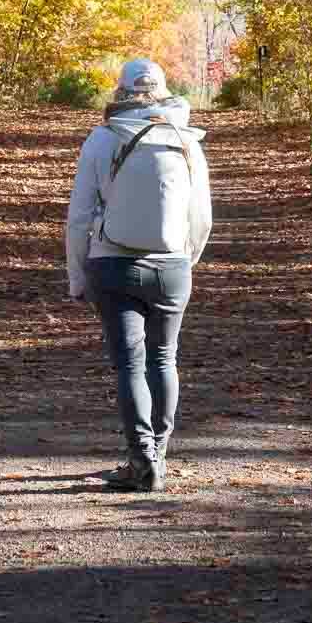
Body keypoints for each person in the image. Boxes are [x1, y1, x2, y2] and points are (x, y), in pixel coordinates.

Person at [65, 58, 212, 492]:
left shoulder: (101, 138)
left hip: (113, 263)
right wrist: (185, 261)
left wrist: (77, 275)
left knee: (130, 362)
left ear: (120, 93)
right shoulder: (188, 141)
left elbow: (78, 217)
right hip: (171, 265)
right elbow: (201, 218)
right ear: (164, 91)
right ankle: (159, 454)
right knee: (163, 358)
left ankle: (141, 458)